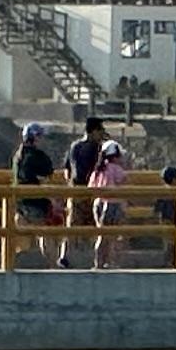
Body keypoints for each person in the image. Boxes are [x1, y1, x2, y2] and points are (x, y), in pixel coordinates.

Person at [55, 111, 114, 268]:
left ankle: (64, 256)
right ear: (94, 131)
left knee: (72, 225)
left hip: (74, 190)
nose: (102, 134)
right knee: (101, 225)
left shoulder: (74, 146)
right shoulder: (96, 149)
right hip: (93, 191)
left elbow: (67, 170)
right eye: (100, 131)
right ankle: (101, 260)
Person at [86, 130, 133, 270]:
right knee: (112, 235)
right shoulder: (116, 169)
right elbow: (124, 182)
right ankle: (110, 262)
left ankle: (99, 262)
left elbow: (91, 187)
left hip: (98, 203)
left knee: (102, 234)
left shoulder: (97, 170)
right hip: (113, 204)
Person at [10, 121, 59, 256]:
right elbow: (46, 179)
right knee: (45, 234)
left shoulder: (18, 156)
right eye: (40, 137)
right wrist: (54, 200)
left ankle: (13, 263)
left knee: (21, 237)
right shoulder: (38, 157)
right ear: (35, 137)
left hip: (20, 202)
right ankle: (52, 267)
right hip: (37, 203)